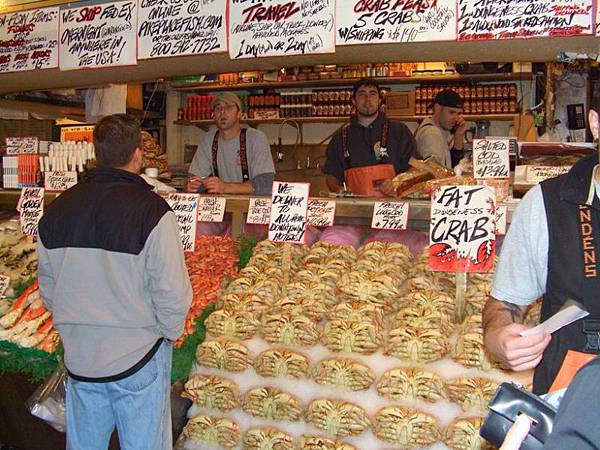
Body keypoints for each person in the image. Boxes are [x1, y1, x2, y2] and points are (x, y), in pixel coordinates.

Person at [37, 114, 192, 450]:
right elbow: (173, 294)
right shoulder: (153, 211)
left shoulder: (56, 210)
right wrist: (167, 332)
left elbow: (48, 292)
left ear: (96, 153)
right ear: (138, 154)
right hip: (137, 357)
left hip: (81, 358)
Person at [483, 99, 600, 395]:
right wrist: (499, 338)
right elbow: (504, 304)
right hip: (572, 397)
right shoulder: (547, 203)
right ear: (596, 124)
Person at [323, 77, 416, 197]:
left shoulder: (399, 131)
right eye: (362, 94)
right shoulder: (340, 137)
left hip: (394, 210)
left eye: (372, 94)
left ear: (379, 100)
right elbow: (331, 177)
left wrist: (397, 183)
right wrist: (339, 190)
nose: (368, 99)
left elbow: (416, 169)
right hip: (355, 210)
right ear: (353, 101)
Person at [186, 92, 275, 195]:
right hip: (221, 207)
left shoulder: (256, 138)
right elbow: (192, 178)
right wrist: (193, 185)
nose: (222, 112)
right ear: (213, 115)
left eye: (228, 107)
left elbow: (265, 184)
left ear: (239, 113)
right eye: (218, 108)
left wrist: (225, 187)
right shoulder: (208, 140)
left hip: (253, 207)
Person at [414, 89, 467, 168]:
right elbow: (435, 174)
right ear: (437, 108)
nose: (456, 118)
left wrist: (458, 137)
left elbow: (454, 167)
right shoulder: (431, 133)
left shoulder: (440, 130)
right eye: (451, 112)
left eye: (458, 113)